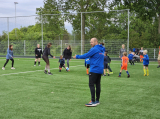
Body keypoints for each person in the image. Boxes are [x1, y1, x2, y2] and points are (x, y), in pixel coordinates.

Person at [73, 38, 104, 107]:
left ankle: (93, 101)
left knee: (91, 84)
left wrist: (77, 56)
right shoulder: (102, 49)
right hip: (100, 70)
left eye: (92, 42)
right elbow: (96, 58)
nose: (90, 43)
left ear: (96, 42)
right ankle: (97, 100)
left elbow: (86, 55)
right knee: (98, 84)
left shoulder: (94, 49)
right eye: (90, 42)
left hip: (94, 70)